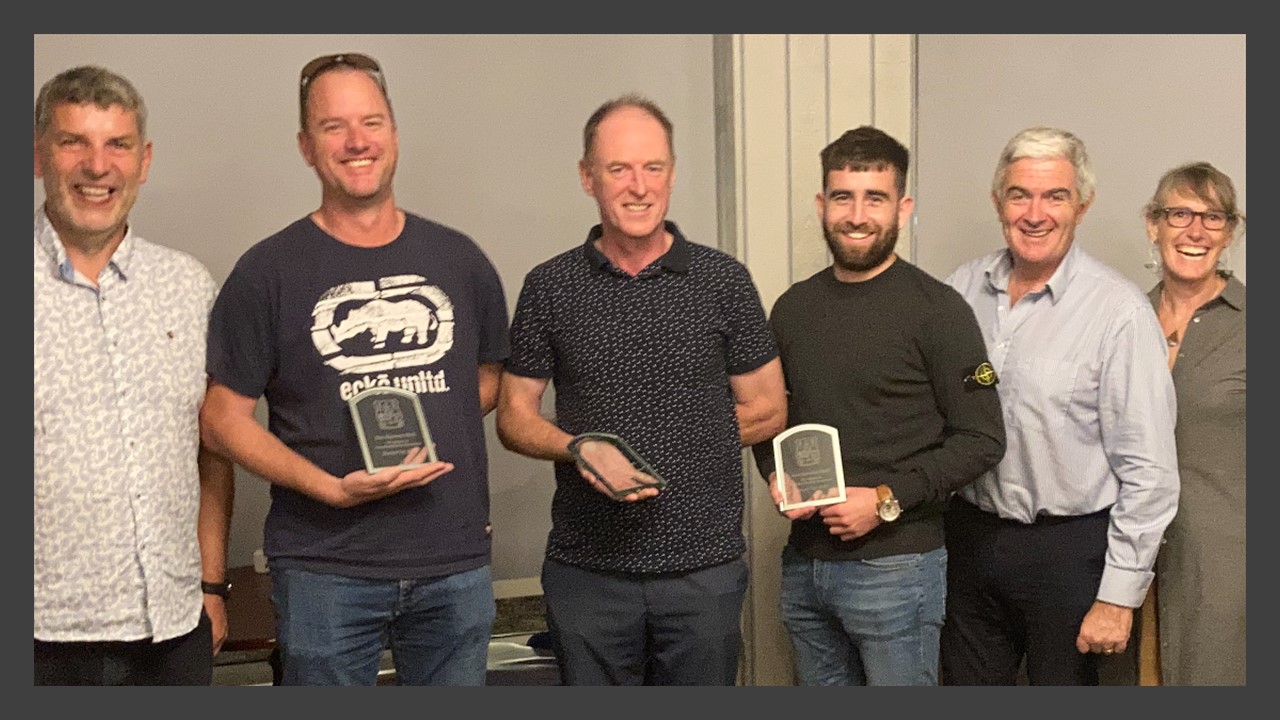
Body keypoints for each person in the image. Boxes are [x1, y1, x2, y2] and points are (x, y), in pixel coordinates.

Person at [199, 52, 510, 686]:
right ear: (306, 146)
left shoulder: (462, 261)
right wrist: (331, 486)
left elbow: (485, 381)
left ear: (394, 133)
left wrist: (423, 421)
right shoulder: (266, 272)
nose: (356, 141)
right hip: (324, 569)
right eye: (333, 126)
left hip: (453, 563)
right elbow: (220, 421)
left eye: (371, 121)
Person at [496, 93, 787, 686]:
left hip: (702, 571)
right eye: (618, 169)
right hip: (588, 573)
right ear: (587, 178)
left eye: (653, 167)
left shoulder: (723, 280)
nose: (638, 186)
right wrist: (580, 448)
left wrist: (680, 436)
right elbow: (513, 417)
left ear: (672, 174)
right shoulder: (549, 286)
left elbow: (769, 409)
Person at [749, 126, 1006, 686]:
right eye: (843, 197)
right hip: (805, 567)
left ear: (903, 207)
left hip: (899, 566)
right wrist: (776, 475)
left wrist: (887, 499)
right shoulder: (792, 309)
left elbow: (983, 439)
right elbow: (766, 418)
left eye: (875, 198)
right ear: (822, 204)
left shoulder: (939, 311)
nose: (857, 215)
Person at [940, 126, 1180, 686]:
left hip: (1070, 556)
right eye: (1020, 194)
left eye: (1056, 196)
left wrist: (1119, 596)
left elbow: (1150, 470)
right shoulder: (959, 291)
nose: (1035, 213)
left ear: (1082, 205)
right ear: (998, 201)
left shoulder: (1117, 312)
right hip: (970, 542)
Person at [33, 65, 234, 685]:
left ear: (143, 160)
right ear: (37, 155)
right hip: (41, 637)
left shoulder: (189, 286)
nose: (98, 166)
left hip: (173, 629)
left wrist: (211, 583)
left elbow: (212, 449)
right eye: (74, 142)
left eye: (117, 144)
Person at [1137, 162, 1245, 686]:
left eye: (1213, 217)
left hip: (1225, 568)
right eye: (1179, 213)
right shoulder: (1122, 320)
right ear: (1152, 225)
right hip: (1125, 561)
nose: (1195, 231)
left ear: (1231, 233)